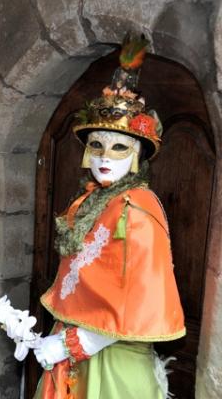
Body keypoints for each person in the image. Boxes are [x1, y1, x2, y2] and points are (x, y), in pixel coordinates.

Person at [32, 34, 185, 399]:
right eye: (96, 145)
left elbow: (136, 301)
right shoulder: (88, 201)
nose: (104, 158)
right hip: (74, 350)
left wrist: (70, 345)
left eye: (118, 148)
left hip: (111, 360)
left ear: (136, 155)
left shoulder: (137, 210)